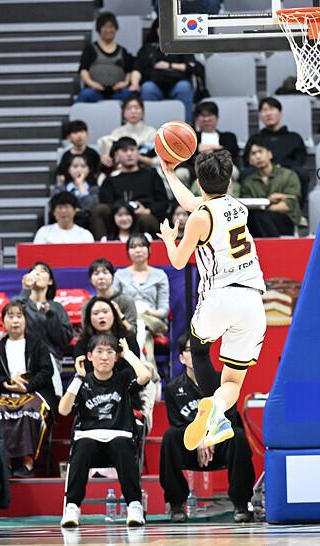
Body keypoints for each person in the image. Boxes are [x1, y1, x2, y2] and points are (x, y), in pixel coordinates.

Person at [158, 150, 267, 452]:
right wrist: (169, 174)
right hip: (252, 300)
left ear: (198, 182)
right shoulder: (238, 207)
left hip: (220, 296)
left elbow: (178, 261)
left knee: (198, 349)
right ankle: (218, 412)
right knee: (232, 382)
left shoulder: (198, 218)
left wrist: (168, 239)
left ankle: (208, 405)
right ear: (229, 181)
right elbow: (194, 203)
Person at [160, 333, 255, 523]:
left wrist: (210, 438)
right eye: (190, 350)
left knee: (237, 436)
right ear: (181, 358)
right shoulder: (172, 388)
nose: (195, 354)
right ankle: (176, 505)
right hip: (191, 447)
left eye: (198, 350)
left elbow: (229, 419)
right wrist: (199, 440)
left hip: (219, 446)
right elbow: (177, 424)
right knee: (170, 436)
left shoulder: (222, 383)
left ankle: (241, 504)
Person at [59, 333, 152, 527]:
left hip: (119, 437)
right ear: (89, 356)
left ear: (116, 357)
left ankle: (134, 505)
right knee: (82, 446)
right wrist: (78, 377)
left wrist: (128, 354)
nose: (104, 357)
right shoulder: (82, 381)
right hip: (89, 439)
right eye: (99, 352)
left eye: (110, 352)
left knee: (122, 444)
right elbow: (63, 410)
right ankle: (72, 507)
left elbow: (145, 376)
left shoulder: (123, 378)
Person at [0, 301, 57, 478]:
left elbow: (46, 372)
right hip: (5, 391)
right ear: (3, 322)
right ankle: (7, 460)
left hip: (34, 391)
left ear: (25, 320)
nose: (15, 321)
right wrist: (6, 382)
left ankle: (27, 460)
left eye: (19, 316)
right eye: (10, 316)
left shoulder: (37, 344)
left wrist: (26, 386)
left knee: (28, 410)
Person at [74, 296, 160, 434]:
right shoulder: (82, 343)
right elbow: (84, 371)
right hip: (93, 393)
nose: (101, 316)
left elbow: (132, 371)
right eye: (96, 313)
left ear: (114, 315)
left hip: (125, 390)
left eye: (105, 312)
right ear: (89, 318)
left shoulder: (127, 339)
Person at [94, 137, 169, 237]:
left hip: (146, 215)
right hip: (118, 217)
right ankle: (102, 244)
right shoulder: (110, 180)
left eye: (132, 149)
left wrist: (147, 211)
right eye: (124, 151)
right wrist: (122, 211)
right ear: (116, 155)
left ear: (138, 152)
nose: (129, 154)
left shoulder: (151, 175)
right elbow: (106, 204)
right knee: (99, 209)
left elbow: (163, 202)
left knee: (144, 218)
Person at [19, 261, 74, 397]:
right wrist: (25, 290)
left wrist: (51, 317)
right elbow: (12, 320)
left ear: (50, 281)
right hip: (22, 356)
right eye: (34, 270)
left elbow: (65, 339)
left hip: (50, 359)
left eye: (42, 271)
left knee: (52, 398)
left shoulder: (57, 308)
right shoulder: (21, 303)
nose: (37, 273)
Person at [114, 233, 170, 365]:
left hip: (154, 320)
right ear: (128, 252)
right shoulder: (119, 275)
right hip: (128, 321)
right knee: (142, 329)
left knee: (139, 322)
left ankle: (134, 362)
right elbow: (114, 304)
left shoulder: (160, 275)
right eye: (133, 247)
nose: (138, 250)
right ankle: (147, 368)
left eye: (142, 246)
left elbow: (164, 310)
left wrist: (150, 312)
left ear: (149, 249)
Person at [242, 97, 309, 199]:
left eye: (272, 109)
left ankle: (295, 205)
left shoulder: (294, 137)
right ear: (260, 115)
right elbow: (247, 161)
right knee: (244, 174)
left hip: (286, 173)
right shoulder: (255, 139)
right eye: (264, 110)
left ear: (280, 113)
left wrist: (278, 167)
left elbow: (300, 160)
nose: (268, 113)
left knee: (302, 173)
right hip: (260, 173)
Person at [134, 20, 197, 123]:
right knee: (147, 88)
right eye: (160, 28)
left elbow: (191, 67)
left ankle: (186, 125)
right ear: (156, 30)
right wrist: (135, 83)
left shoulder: (182, 46)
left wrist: (169, 65)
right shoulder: (148, 48)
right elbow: (137, 68)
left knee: (184, 87)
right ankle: (149, 125)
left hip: (177, 82)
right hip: (155, 84)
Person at [240, 138, 302, 237]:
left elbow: (288, 205)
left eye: (260, 151)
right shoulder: (248, 182)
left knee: (259, 216)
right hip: (256, 223)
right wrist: (269, 201)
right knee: (255, 217)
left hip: (284, 220)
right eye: (253, 154)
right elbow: (247, 208)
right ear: (250, 160)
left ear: (270, 154)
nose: (258, 156)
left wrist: (262, 207)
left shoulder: (288, 175)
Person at [76, 12, 139, 103]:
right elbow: (83, 70)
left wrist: (125, 83)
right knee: (85, 95)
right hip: (94, 91)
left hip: (118, 92)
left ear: (116, 29)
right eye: (105, 27)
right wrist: (92, 84)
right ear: (99, 29)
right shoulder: (90, 49)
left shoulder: (122, 51)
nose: (108, 30)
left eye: (111, 27)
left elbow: (129, 70)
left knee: (131, 96)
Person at [183, 101, 240, 181]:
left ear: (217, 118)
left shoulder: (229, 136)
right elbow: (188, 156)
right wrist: (217, 148)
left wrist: (204, 149)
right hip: (195, 169)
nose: (206, 119)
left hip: (222, 168)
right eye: (203, 116)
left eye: (210, 115)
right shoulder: (192, 137)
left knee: (233, 171)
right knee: (181, 173)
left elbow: (230, 152)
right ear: (196, 119)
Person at [98, 96, 157, 169]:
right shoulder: (117, 132)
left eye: (136, 108)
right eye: (129, 108)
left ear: (142, 112)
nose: (133, 111)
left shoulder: (152, 132)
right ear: (123, 113)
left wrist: (137, 157)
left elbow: (157, 161)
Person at [85, 258, 138, 328]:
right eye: (96, 274)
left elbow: (133, 331)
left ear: (113, 277)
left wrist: (120, 316)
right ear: (90, 280)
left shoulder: (126, 301)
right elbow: (86, 331)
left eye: (105, 273)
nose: (101, 277)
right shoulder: (88, 305)